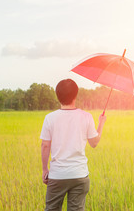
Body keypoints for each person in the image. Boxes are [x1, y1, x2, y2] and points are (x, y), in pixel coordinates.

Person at [40, 79, 106, 211]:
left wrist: (44, 169)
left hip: (57, 175)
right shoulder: (86, 117)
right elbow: (94, 143)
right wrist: (101, 123)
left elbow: (45, 145)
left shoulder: (50, 118)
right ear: (76, 95)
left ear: (58, 96)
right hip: (79, 175)